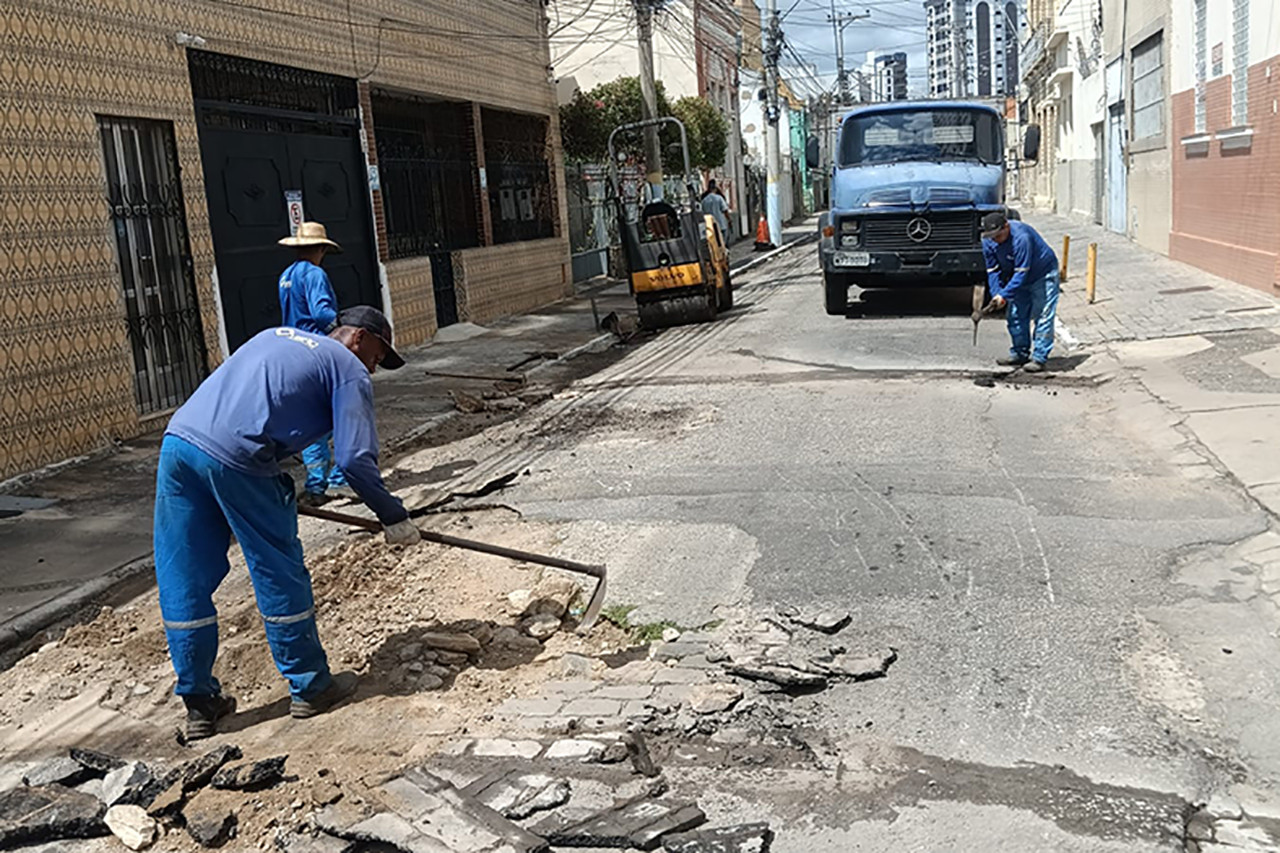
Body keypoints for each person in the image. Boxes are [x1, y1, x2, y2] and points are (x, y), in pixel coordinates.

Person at [154, 306, 421, 740]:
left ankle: (199, 705)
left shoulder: (278, 335)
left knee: (183, 576)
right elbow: (354, 460)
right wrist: (392, 514)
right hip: (238, 458)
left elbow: (255, 401)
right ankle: (311, 687)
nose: (375, 367)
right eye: (378, 354)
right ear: (358, 339)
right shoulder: (348, 368)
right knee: (277, 570)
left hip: (179, 444)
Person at [278, 221, 349, 505]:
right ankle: (339, 480)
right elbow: (321, 314)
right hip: (318, 351)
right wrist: (341, 326)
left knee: (309, 418)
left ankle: (316, 483)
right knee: (343, 412)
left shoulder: (286, 275)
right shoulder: (315, 274)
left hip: (293, 350)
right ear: (321, 248)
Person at [980, 211, 1060, 373]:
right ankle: (1019, 353)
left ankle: (1039, 358)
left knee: (1042, 314)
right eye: (991, 236)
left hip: (1042, 274)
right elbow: (993, 270)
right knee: (1015, 315)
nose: (995, 240)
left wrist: (1004, 294)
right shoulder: (988, 241)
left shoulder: (1021, 237)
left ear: (1006, 227)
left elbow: (1021, 272)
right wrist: (997, 294)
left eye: (998, 235)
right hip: (1017, 276)